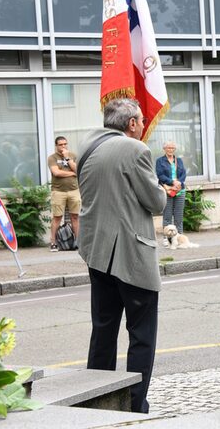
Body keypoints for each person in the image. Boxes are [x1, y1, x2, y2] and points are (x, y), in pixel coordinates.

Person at [77, 98, 166, 413]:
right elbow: (156, 201)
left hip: (96, 251)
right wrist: (162, 190)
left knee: (103, 330)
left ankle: (93, 401)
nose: (143, 125)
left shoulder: (87, 147)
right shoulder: (135, 150)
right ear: (131, 123)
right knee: (141, 335)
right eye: (141, 120)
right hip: (131, 251)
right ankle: (134, 404)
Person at [48, 136, 80, 252]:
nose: (63, 146)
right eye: (61, 144)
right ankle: (53, 242)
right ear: (56, 146)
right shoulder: (52, 158)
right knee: (57, 217)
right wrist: (72, 174)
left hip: (73, 190)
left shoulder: (73, 156)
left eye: (65, 144)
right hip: (58, 191)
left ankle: (78, 241)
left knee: (75, 216)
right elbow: (56, 173)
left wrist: (68, 158)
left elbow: (78, 170)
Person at [156, 141, 187, 246]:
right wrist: (172, 182)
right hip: (168, 190)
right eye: (168, 148)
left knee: (179, 215)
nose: (171, 150)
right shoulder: (160, 161)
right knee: (167, 215)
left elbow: (183, 173)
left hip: (180, 190)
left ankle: (179, 237)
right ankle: (166, 238)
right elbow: (160, 175)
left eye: (173, 148)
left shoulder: (179, 160)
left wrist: (179, 182)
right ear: (164, 149)